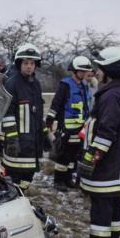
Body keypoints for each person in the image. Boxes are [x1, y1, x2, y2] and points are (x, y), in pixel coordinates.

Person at [68, 47, 120, 238]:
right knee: (114, 208)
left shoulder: (110, 96)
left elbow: (106, 132)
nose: (96, 72)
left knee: (101, 208)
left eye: (100, 68)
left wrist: (91, 158)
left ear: (110, 70)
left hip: (108, 166)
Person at [1, 43, 45, 191]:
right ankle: (14, 196)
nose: (29, 67)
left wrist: (45, 134)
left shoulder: (36, 84)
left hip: (33, 140)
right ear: (19, 63)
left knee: (28, 174)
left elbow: (38, 112)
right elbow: (7, 113)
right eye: (26, 63)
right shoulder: (12, 83)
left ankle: (22, 193)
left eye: (32, 63)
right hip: (18, 141)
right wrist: (12, 139)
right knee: (15, 174)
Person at [45, 56, 94, 191]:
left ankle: (67, 179)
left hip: (80, 127)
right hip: (66, 127)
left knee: (74, 155)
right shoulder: (65, 84)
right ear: (75, 71)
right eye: (82, 71)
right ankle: (58, 180)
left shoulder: (84, 86)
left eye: (86, 71)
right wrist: (50, 118)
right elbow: (57, 102)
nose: (84, 74)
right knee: (64, 155)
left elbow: (87, 105)